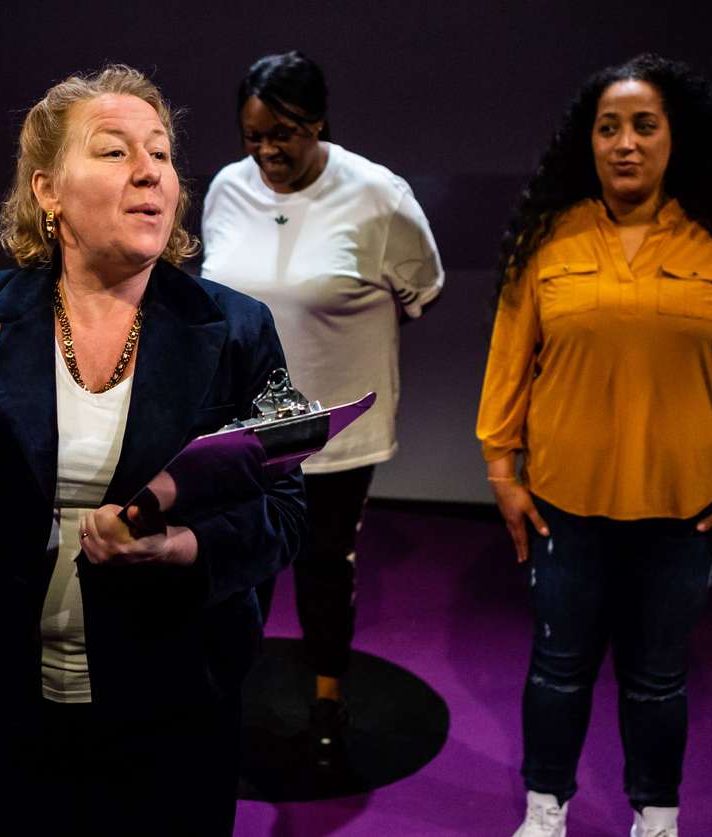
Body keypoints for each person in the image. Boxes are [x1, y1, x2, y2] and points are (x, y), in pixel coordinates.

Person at [0, 65, 306, 836]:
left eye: (163, 154)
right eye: (114, 151)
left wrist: (184, 546)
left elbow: (286, 507)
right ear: (47, 192)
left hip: (179, 699)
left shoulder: (238, 329)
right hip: (14, 702)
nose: (150, 172)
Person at [477, 54, 712, 837]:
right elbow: (509, 360)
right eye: (608, 127)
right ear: (588, 142)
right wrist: (500, 467)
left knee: (657, 680)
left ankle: (656, 814)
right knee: (557, 671)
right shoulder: (548, 241)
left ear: (672, 139)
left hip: (681, 510)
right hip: (563, 504)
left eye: (643, 126)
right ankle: (544, 808)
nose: (625, 144)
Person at [200, 50, 445, 770]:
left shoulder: (379, 195)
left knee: (323, 565)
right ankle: (229, 697)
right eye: (253, 135)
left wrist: (332, 338)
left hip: (338, 425)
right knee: (243, 564)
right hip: (245, 428)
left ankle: (328, 700)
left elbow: (421, 290)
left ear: (320, 122)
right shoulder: (225, 189)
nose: (268, 151)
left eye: (286, 133)